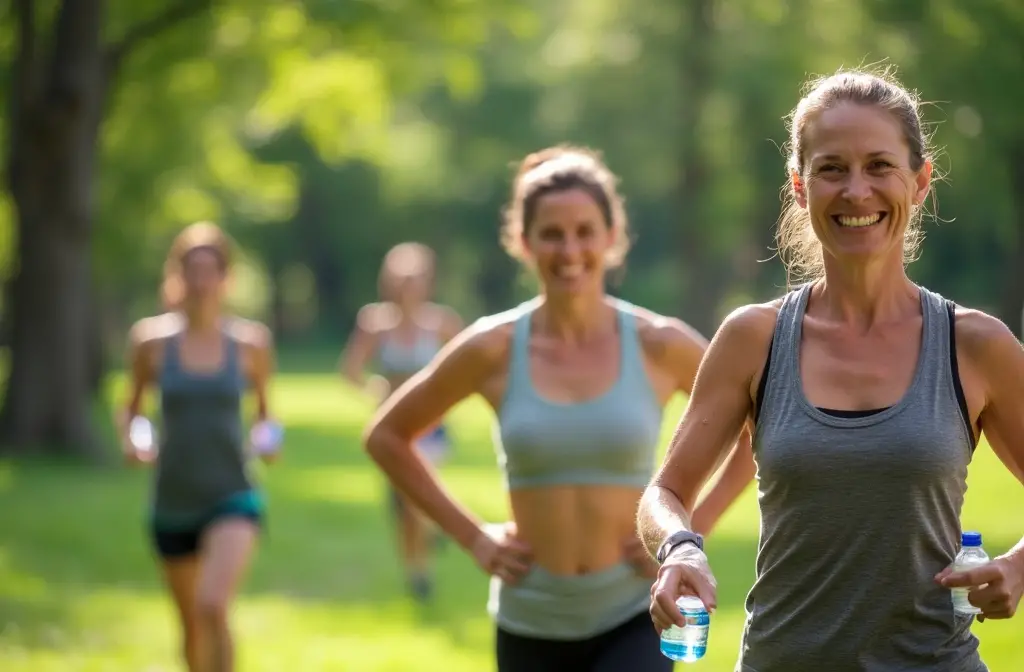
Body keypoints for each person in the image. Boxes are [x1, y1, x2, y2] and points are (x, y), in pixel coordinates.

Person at [637, 67, 1024, 672]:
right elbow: (665, 493)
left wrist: (1018, 566)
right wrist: (680, 548)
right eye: (831, 169)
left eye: (879, 166)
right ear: (799, 186)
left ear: (920, 182)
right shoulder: (753, 338)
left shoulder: (973, 345)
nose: (856, 191)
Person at [363, 145, 752, 671]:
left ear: (612, 237)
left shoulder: (659, 343)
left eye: (585, 231)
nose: (570, 250)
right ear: (523, 242)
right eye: (551, 233)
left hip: (635, 613)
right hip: (530, 619)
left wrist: (685, 536)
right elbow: (386, 436)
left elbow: (755, 425)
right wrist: (473, 537)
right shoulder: (492, 347)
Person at [119, 221, 277, 672]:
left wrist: (268, 443)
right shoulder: (150, 342)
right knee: (190, 625)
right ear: (177, 275)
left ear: (226, 278)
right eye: (192, 269)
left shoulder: (250, 343)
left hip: (233, 492)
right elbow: (134, 412)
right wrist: (137, 441)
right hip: (172, 498)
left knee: (213, 605)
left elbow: (267, 416)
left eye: (211, 270)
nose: (201, 280)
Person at [340, 242, 463, 601]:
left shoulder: (441, 322)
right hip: (393, 427)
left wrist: (445, 398)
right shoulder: (374, 322)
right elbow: (350, 371)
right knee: (403, 507)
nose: (409, 286)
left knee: (415, 493)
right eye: (402, 279)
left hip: (431, 427)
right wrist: (376, 390)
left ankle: (433, 523)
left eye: (416, 278)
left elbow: (467, 370)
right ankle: (417, 569)